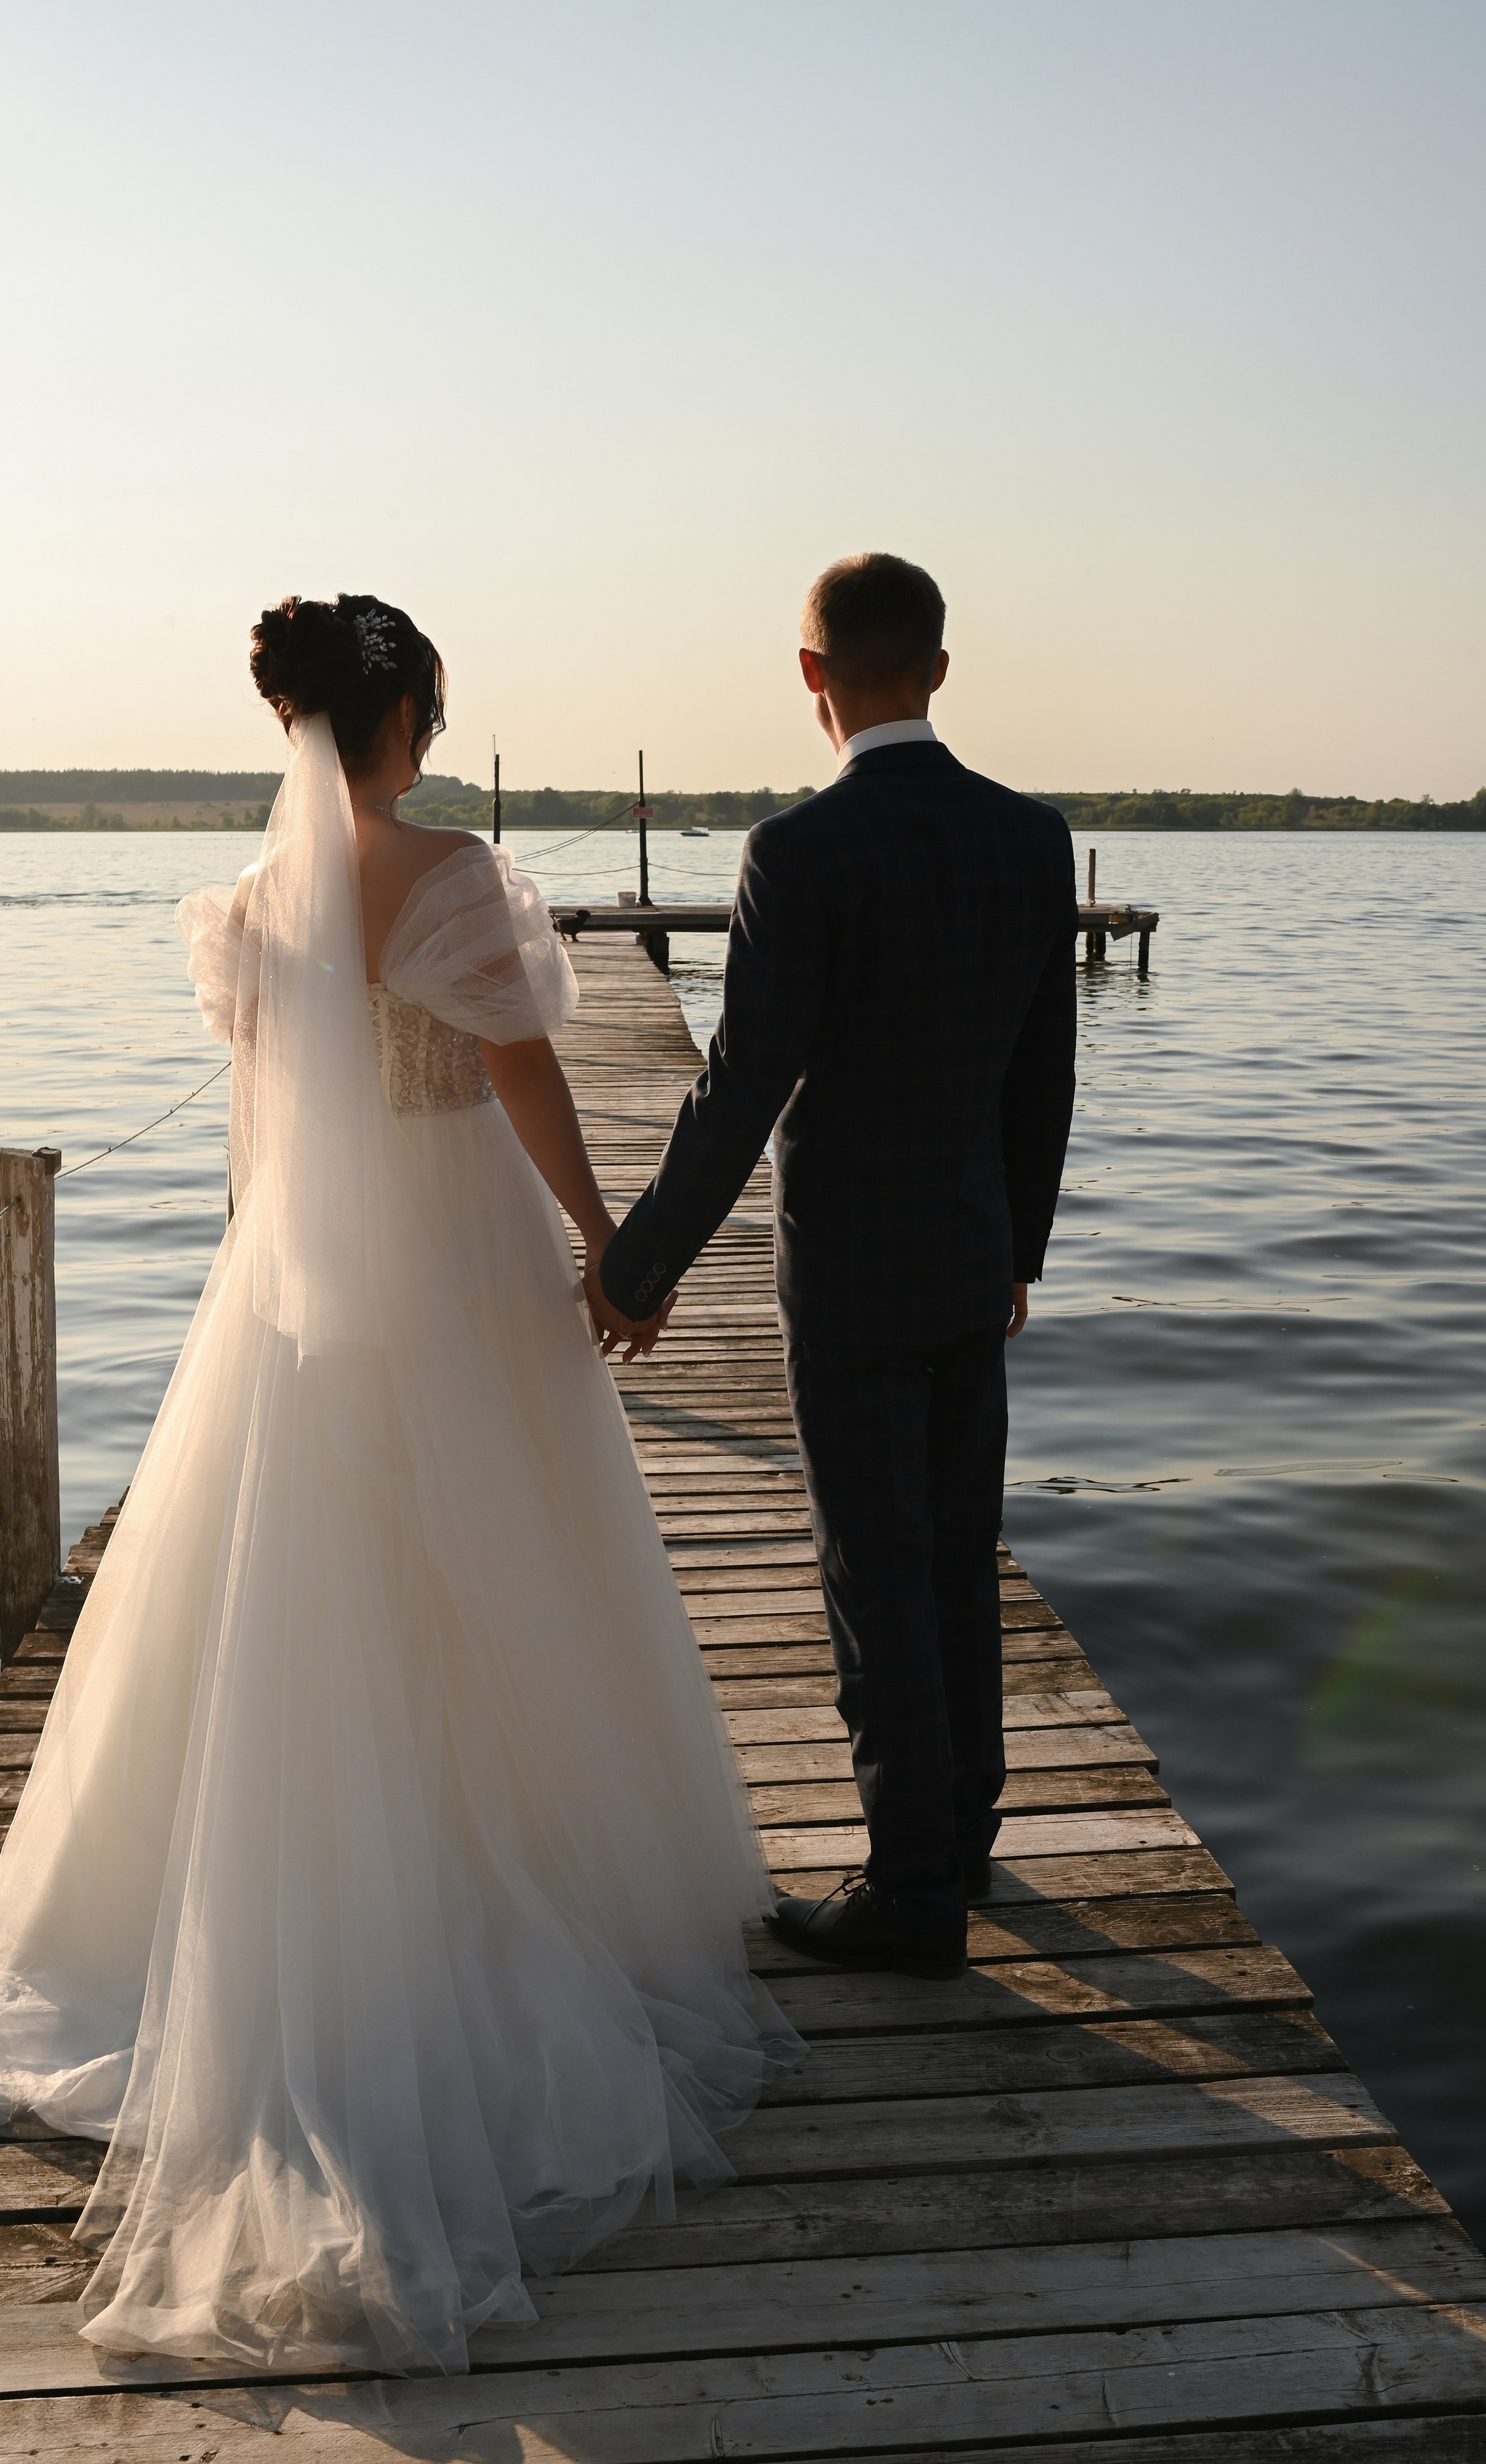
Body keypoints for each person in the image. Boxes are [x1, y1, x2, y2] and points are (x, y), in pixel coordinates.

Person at [0, 594, 797, 2376]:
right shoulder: (453, 875)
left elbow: (266, 1119)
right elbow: (525, 1071)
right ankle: (505, 1888)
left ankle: (230, 1942)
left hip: (297, 1298)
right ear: (405, 721)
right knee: (497, 1566)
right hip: (452, 1262)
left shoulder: (243, 910)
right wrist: (610, 1238)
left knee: (291, 1590)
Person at [595, 553, 1077, 1981]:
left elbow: (740, 1087)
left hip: (852, 1279)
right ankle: (964, 1838)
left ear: (811, 674)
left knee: (875, 1572)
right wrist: (1020, 1245)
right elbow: (1041, 1073)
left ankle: (910, 1890)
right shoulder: (1030, 836)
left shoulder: (794, 854)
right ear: (936, 666)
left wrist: (635, 1266)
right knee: (955, 1561)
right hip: (970, 1261)